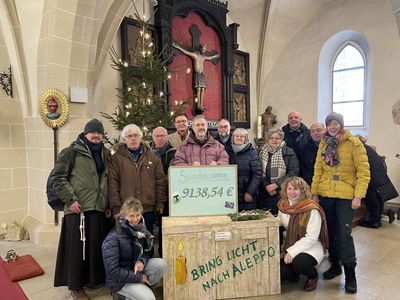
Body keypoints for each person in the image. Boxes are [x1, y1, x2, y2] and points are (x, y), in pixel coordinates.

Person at [311, 112, 370, 294]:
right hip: (326, 194)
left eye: (336, 123)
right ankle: (335, 265)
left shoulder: (353, 143)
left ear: (341, 125)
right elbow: (318, 169)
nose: (333, 126)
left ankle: (350, 274)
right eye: (330, 123)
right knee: (330, 232)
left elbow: (363, 171)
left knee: (344, 235)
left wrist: (358, 195)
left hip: (346, 196)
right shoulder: (324, 144)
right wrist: (314, 192)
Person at [53, 119, 111, 299]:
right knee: (77, 251)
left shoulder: (106, 153)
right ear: (85, 134)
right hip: (78, 208)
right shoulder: (71, 152)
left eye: (99, 133)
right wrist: (70, 199)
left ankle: (93, 281)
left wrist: (107, 204)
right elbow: (58, 178)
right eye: (92, 132)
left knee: (94, 248)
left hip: (98, 208)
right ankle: (75, 286)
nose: (96, 136)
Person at [102, 197, 167, 300]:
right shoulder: (112, 238)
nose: (135, 219)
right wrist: (139, 278)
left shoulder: (141, 230)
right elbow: (112, 271)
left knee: (161, 264)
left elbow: (148, 251)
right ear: (123, 216)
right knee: (149, 298)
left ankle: (141, 288)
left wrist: (141, 261)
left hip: (134, 269)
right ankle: (124, 295)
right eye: (131, 216)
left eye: (138, 215)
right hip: (119, 281)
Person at [108, 124, 167, 235]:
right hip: (126, 211)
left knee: (147, 242)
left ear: (140, 137)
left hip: (147, 210)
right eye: (129, 136)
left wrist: (160, 202)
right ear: (124, 139)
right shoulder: (116, 158)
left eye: (136, 135)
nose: (133, 138)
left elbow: (160, 182)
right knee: (127, 245)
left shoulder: (153, 157)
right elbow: (112, 184)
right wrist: (115, 207)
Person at [278, 177, 328, 292]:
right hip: (290, 243)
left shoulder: (311, 208)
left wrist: (292, 252)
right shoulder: (283, 205)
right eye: (289, 188)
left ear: (303, 190)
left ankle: (313, 276)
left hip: (311, 246)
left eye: (296, 189)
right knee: (282, 273)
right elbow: (279, 221)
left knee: (299, 263)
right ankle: (295, 274)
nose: (292, 192)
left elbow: (311, 238)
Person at [358, 137, 398, 228]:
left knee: (372, 200)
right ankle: (377, 219)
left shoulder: (361, 149)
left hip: (371, 178)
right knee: (378, 200)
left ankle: (374, 221)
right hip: (379, 177)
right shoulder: (368, 148)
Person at [257, 128, 299, 215]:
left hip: (283, 192)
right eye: (271, 138)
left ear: (282, 139)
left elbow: (293, 172)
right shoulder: (262, 152)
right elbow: (259, 171)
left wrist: (276, 185)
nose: (274, 140)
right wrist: (268, 186)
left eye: (277, 138)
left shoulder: (289, 152)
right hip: (265, 192)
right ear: (268, 139)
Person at [150, 126, 176, 256]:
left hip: (167, 196)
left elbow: (174, 175)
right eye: (157, 136)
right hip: (149, 195)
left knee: (163, 227)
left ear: (167, 137)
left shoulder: (174, 153)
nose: (159, 139)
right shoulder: (146, 152)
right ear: (152, 137)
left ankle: (164, 254)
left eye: (162, 136)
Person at [172, 42, 219, 110]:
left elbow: (209, 58)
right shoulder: (195, 55)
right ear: (200, 49)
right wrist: (178, 47)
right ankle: (198, 105)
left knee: (203, 89)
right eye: (203, 49)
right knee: (198, 89)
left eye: (205, 50)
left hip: (202, 75)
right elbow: (186, 52)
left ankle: (201, 105)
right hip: (197, 74)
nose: (204, 51)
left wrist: (215, 56)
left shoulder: (203, 57)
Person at [231, 128, 262, 211]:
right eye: (237, 136)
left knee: (246, 220)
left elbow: (257, 174)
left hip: (246, 194)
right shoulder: (229, 151)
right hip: (231, 194)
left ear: (246, 139)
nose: (239, 138)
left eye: (242, 136)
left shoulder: (252, 153)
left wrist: (250, 192)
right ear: (233, 138)